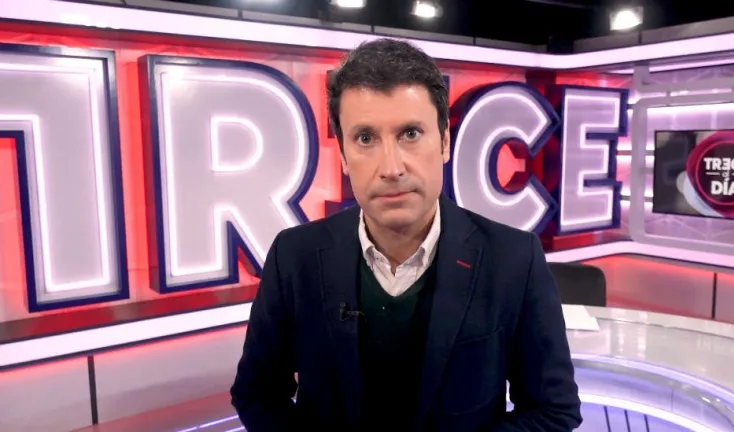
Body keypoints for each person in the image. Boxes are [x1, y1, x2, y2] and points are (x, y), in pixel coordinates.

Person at [230, 38, 581, 431]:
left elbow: (554, 410)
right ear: (343, 155)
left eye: (410, 134)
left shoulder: (514, 259)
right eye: (365, 138)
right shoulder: (294, 257)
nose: (391, 168)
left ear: (444, 142)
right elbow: (257, 394)